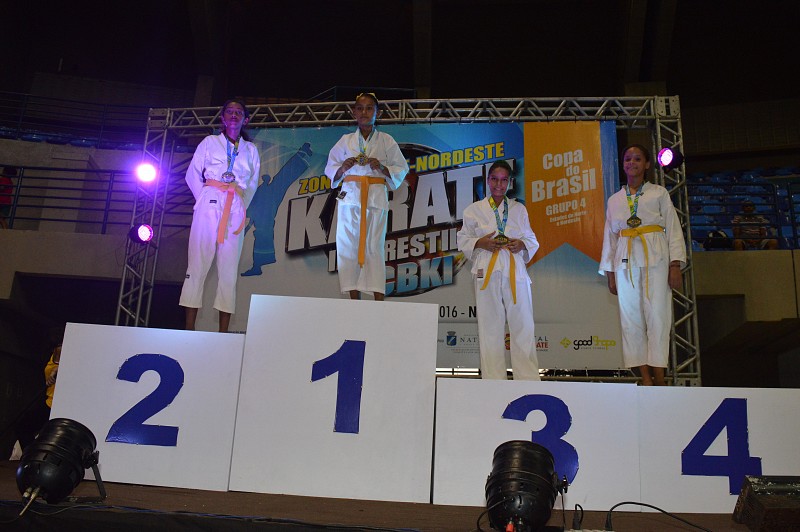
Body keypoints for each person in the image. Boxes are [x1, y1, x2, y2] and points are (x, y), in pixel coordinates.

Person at [599, 144, 686, 386]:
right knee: (631, 320)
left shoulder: (659, 193)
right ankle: (645, 377)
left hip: (656, 257)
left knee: (657, 315)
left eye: (637, 159)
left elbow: (674, 229)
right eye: (628, 159)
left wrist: (675, 265)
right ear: (623, 164)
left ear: (647, 164)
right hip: (625, 260)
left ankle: (660, 377)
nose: (632, 163)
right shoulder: (615, 200)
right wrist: (610, 273)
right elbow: (610, 238)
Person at [179, 99, 261, 332]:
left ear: (246, 120)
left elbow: (252, 184)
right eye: (229, 112)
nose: (234, 115)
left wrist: (239, 204)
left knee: (229, 269)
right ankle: (189, 329)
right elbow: (192, 174)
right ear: (223, 118)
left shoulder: (250, 150)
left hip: (235, 206)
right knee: (197, 263)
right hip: (209, 201)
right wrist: (206, 198)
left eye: (239, 112)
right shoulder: (209, 142)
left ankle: (223, 333)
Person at [457, 160, 541, 380]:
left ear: (510, 182)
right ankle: (494, 381)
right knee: (490, 326)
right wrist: (480, 243)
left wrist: (521, 244)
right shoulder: (473, 210)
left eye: (504, 180)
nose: (498, 185)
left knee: (523, 324)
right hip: (487, 268)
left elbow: (531, 239)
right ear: (488, 180)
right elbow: (462, 239)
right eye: (494, 179)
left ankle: (528, 380)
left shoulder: (519, 209)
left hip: (514, 267)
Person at [324, 92, 409, 300]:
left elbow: (401, 168)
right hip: (350, 198)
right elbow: (331, 168)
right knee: (348, 247)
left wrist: (382, 167)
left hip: (375, 198)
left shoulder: (386, 140)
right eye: (360, 108)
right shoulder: (345, 141)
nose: (364, 112)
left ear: (377, 113)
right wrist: (342, 169)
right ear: (354, 112)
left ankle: (378, 302)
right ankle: (354, 302)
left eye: (369, 108)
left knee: (374, 247)